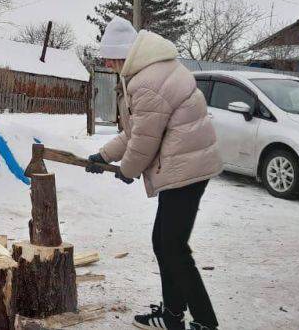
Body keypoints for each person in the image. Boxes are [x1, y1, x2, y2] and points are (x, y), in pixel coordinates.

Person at [87, 17, 223, 330]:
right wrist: (103, 156)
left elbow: (145, 141)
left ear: (124, 53)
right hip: (186, 165)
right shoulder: (151, 71)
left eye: (109, 56)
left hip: (186, 167)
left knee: (172, 246)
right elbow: (136, 132)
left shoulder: (147, 81)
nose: (107, 62)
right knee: (165, 243)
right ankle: (172, 316)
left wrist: (127, 170)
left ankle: (204, 322)